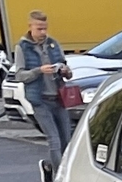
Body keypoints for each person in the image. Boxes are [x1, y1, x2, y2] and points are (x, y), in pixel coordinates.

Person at [16, 10, 75, 168]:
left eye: (45, 28)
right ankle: (58, 177)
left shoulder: (53, 44)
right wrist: (39, 71)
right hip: (40, 100)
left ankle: (54, 168)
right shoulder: (22, 47)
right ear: (30, 27)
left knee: (67, 140)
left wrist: (65, 71)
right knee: (54, 140)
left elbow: (67, 69)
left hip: (59, 98)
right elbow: (20, 75)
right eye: (39, 29)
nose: (43, 32)